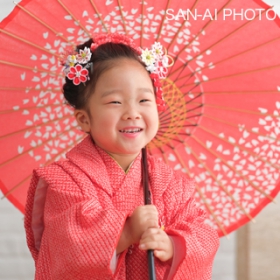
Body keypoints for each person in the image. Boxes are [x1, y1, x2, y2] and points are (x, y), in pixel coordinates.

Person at [24, 33, 219, 280]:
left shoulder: (173, 186)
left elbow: (202, 234)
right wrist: (125, 232)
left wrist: (173, 245)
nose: (132, 113)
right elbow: (65, 252)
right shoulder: (65, 182)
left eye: (144, 100)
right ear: (84, 119)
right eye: (115, 101)